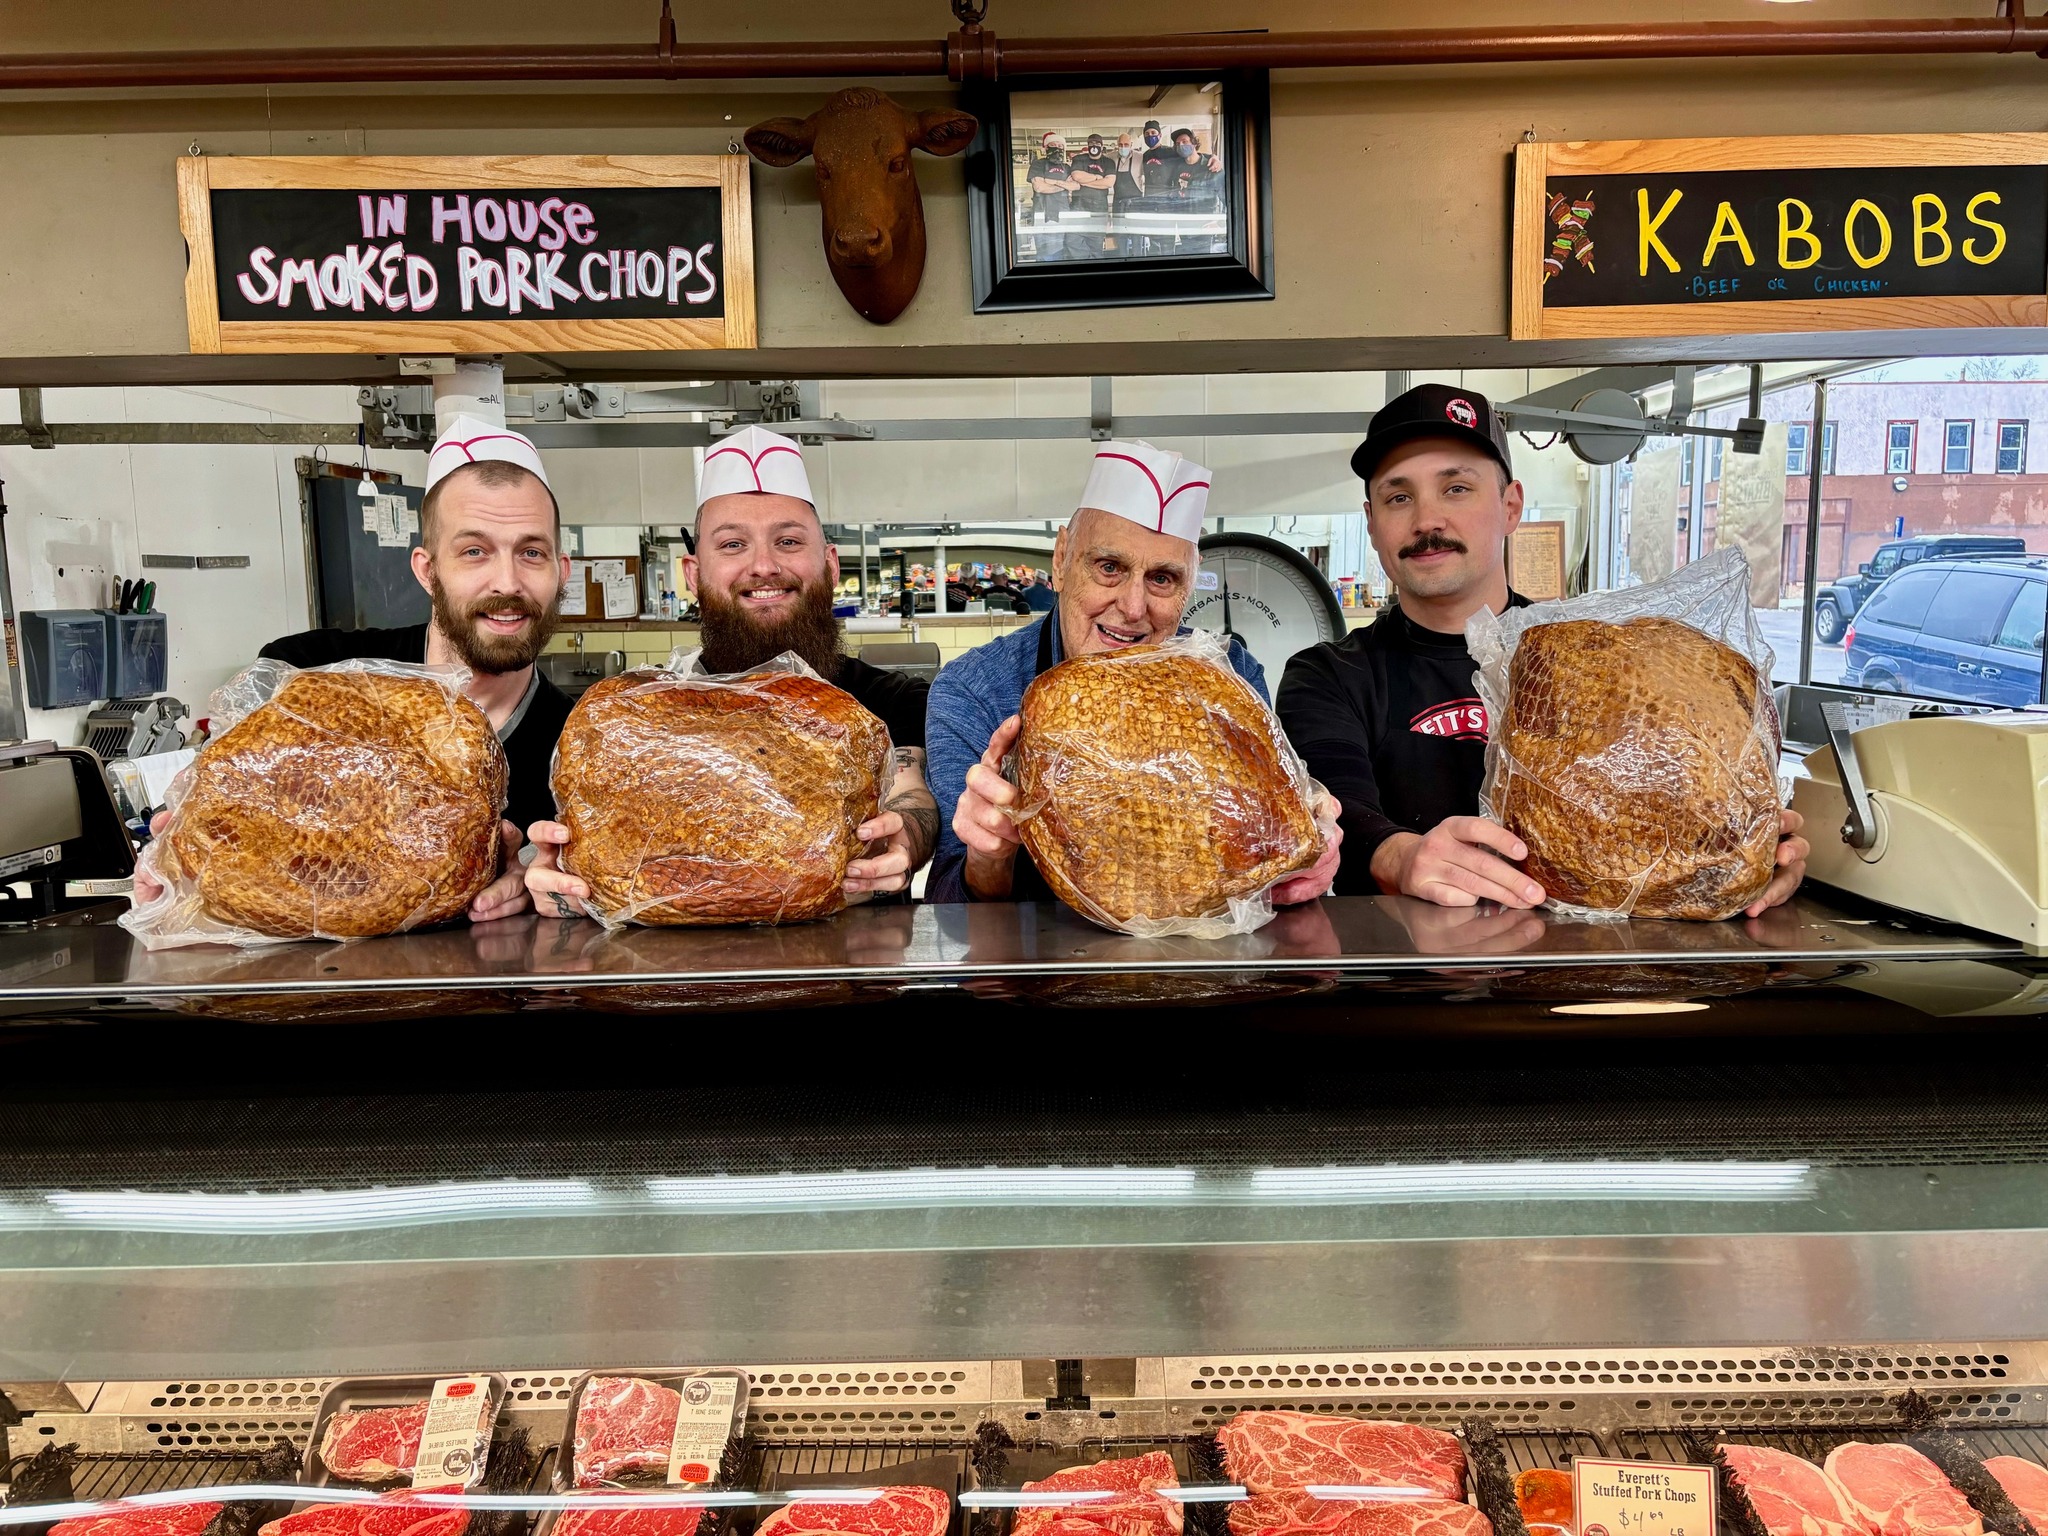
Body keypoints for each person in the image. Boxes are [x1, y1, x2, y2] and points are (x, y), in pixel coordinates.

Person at [1275, 383, 1810, 915]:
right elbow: (1336, 815)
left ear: (1511, 507)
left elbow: (1681, 795)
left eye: (1456, 488)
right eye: (1399, 497)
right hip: (1404, 978)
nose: (1427, 521)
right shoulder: (1326, 675)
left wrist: (1749, 852)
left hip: (1596, 971)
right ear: (1372, 525)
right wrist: (1402, 857)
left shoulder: (1599, 657)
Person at [523, 425, 938, 913]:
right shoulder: (638, 720)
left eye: (787, 541)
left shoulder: (891, 701)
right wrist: (564, 880)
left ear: (829, 564)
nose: (763, 565)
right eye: (733, 545)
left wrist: (903, 840)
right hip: (669, 977)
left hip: (851, 974)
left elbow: (911, 795)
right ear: (694, 574)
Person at [929, 440, 1343, 905]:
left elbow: (1263, 863)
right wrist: (989, 855)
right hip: (1039, 964)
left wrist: (1299, 856)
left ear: (1191, 581)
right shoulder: (978, 690)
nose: (1131, 608)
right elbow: (950, 909)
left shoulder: (1230, 680)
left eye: (1162, 579)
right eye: (1109, 567)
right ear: (1062, 559)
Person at [1025, 132, 1076, 262]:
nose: (1057, 148)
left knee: (1062, 254)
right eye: (1053, 145)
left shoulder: (1067, 167)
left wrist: (1049, 182)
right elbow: (1039, 187)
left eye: (1060, 146)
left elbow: (1075, 186)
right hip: (1044, 214)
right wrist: (1064, 185)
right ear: (1046, 148)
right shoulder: (1038, 164)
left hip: (1063, 215)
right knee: (1046, 256)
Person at [1068, 134, 1117, 259]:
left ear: (1101, 145)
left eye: (1097, 144)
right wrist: (1097, 177)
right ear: (1087, 145)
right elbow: (1077, 176)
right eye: (1091, 143)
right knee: (1073, 243)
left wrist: (1084, 182)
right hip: (1078, 207)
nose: (1094, 146)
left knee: (1096, 248)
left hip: (1099, 210)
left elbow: (1109, 182)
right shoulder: (1079, 159)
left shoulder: (1108, 162)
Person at [1111, 133, 1145, 255]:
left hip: (1136, 204)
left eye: (1126, 145)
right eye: (1120, 145)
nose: (1123, 147)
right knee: (1120, 237)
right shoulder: (1110, 158)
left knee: (1137, 238)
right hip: (1118, 203)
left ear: (1131, 145)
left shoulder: (1140, 157)